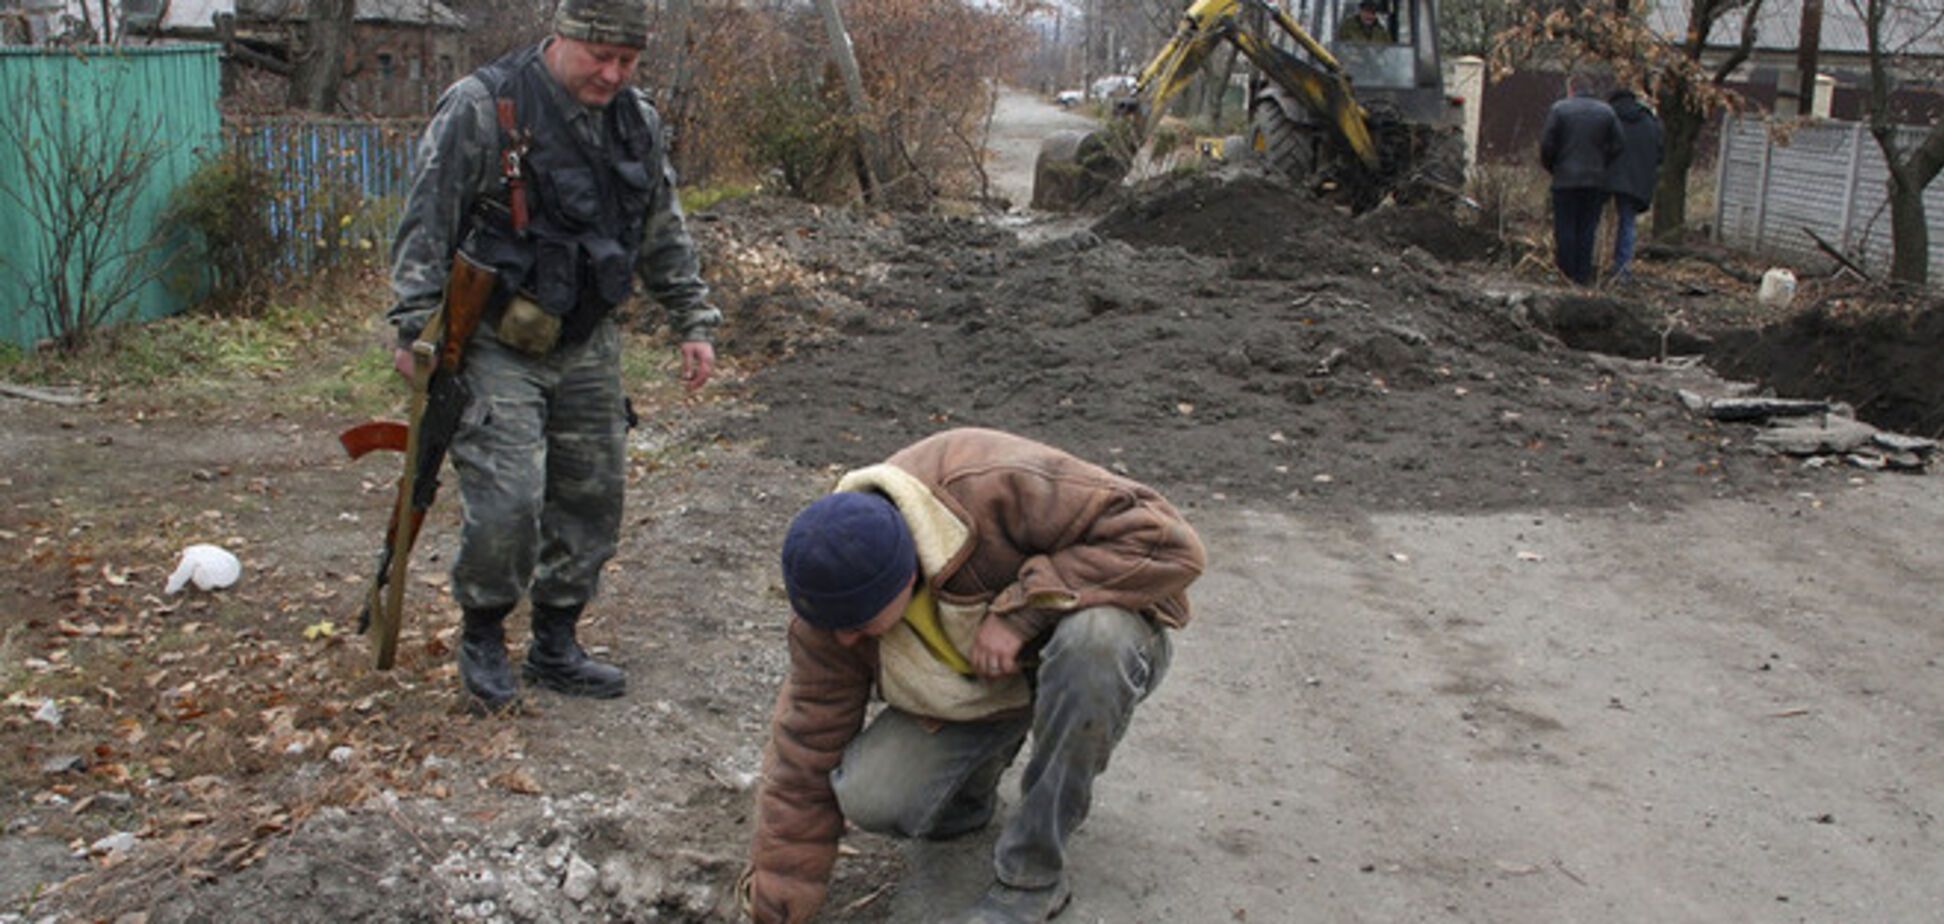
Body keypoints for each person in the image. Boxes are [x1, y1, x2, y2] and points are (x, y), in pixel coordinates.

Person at [385, 0, 721, 713]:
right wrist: (413, 327)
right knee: (508, 503)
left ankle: (556, 642)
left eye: (627, 61)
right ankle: (482, 634)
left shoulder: (638, 121)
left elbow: (663, 228)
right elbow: (426, 218)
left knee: (593, 497)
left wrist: (693, 318)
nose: (612, 73)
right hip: (495, 340)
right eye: (599, 55)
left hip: (588, 338)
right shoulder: (483, 108)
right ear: (562, 36)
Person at [739, 428, 1207, 924]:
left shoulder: (990, 481)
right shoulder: (832, 590)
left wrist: (1021, 613)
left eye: (860, 627)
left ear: (906, 576)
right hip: (979, 687)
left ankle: (1032, 875)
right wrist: (784, 884)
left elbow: (1171, 543)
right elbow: (809, 741)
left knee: (1095, 639)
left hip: (1094, 652)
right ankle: (971, 792)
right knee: (872, 796)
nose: (848, 642)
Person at [1539, 65, 1624, 286]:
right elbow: (1619, 144)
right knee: (1587, 227)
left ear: (1571, 89)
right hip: (1595, 180)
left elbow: (1547, 144)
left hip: (1565, 179)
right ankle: (1582, 273)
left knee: (1565, 226)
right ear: (1591, 89)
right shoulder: (1606, 111)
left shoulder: (1559, 110)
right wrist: (1603, 163)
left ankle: (1565, 272)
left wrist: (1553, 167)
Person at [1605, 88, 1664, 283]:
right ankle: (1622, 269)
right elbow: (1660, 154)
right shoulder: (1649, 121)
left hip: (1603, 176)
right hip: (1634, 180)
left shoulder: (1607, 116)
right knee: (1627, 223)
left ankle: (1590, 262)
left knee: (1593, 218)